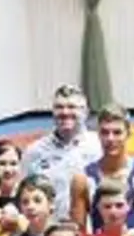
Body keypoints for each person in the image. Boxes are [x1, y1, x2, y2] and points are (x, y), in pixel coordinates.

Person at [71, 104, 134, 233]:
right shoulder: (82, 179)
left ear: (129, 133)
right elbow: (78, 233)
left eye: (117, 132)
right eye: (105, 132)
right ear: (98, 134)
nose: (110, 139)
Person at [20, 84, 98, 220]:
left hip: (91, 228)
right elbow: (23, 194)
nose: (65, 112)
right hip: (51, 230)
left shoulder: (99, 146)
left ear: (85, 112)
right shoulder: (35, 152)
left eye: (72, 107)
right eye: (59, 107)